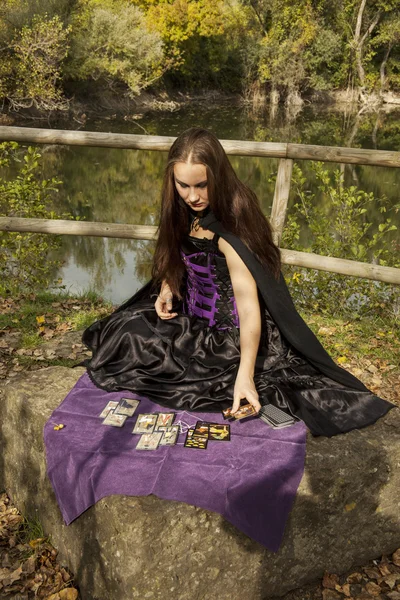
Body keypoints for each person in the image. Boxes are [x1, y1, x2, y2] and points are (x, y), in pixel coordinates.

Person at [82, 127, 395, 437]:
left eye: (202, 185)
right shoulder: (181, 206)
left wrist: (245, 375)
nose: (192, 196)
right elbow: (176, 254)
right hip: (190, 318)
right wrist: (168, 286)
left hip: (226, 338)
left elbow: (247, 309)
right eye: (183, 185)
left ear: (217, 176)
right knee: (125, 329)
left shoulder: (232, 230)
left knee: (144, 348)